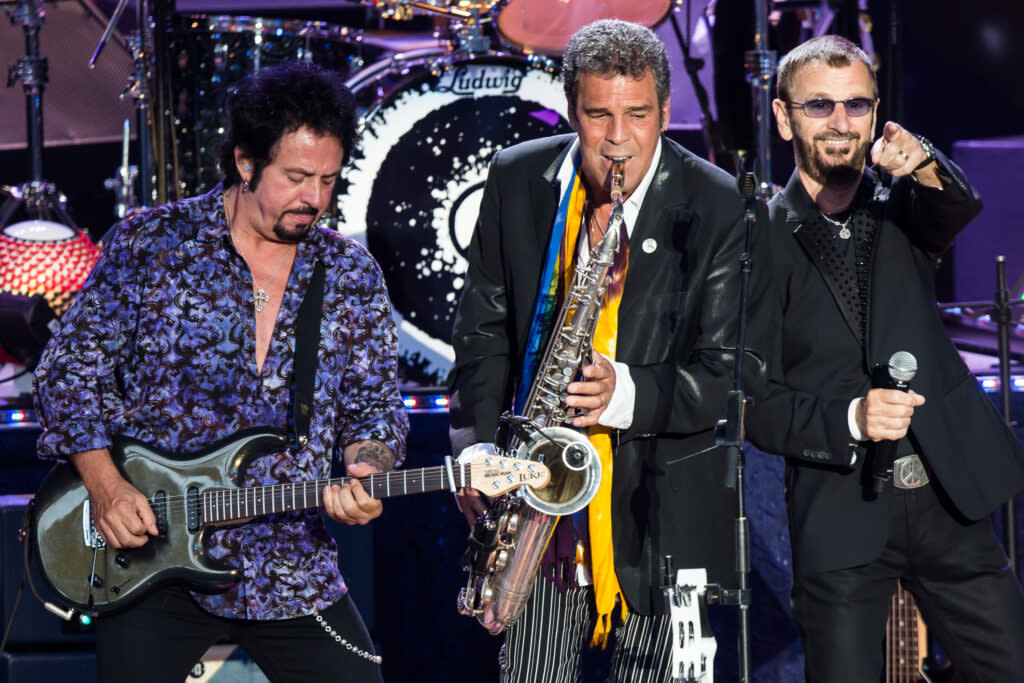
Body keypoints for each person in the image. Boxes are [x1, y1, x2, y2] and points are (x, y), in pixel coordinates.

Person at [33, 61, 408, 683]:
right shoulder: (150, 244)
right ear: (244, 162)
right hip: (152, 559)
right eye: (294, 177)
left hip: (290, 559)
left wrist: (369, 467)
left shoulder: (349, 273)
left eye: (327, 179)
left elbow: (375, 409)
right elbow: (69, 373)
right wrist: (106, 486)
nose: (313, 198)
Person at [447, 19, 748, 682]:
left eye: (638, 115)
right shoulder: (517, 175)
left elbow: (729, 372)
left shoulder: (720, 204)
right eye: (599, 114)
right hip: (540, 516)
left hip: (661, 519)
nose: (618, 139)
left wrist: (627, 391)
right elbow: (481, 330)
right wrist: (473, 443)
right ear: (569, 109)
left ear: (666, 112)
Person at [744, 34, 1024, 682]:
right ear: (783, 116)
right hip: (842, 515)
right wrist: (849, 419)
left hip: (947, 500)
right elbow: (749, 402)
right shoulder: (757, 240)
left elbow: (958, 203)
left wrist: (922, 159)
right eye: (821, 106)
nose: (842, 123)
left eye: (857, 105)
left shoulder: (904, 204)